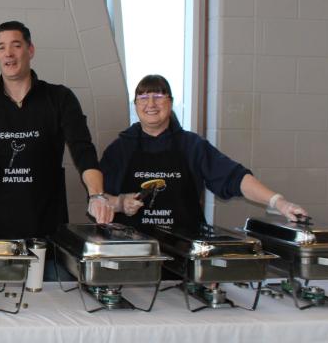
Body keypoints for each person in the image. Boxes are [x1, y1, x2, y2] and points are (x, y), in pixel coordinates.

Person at [0, 21, 114, 253]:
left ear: (30, 50)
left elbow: (83, 150)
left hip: (48, 231)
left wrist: (97, 195)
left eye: (16, 45)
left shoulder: (60, 98)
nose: (8, 53)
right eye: (1, 47)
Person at [101, 74, 308, 229]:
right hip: (132, 253)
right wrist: (120, 203)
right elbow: (98, 198)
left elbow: (235, 178)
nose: (151, 104)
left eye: (158, 96)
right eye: (143, 97)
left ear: (170, 102)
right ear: (135, 105)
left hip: (184, 251)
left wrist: (279, 203)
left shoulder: (193, 146)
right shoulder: (119, 148)